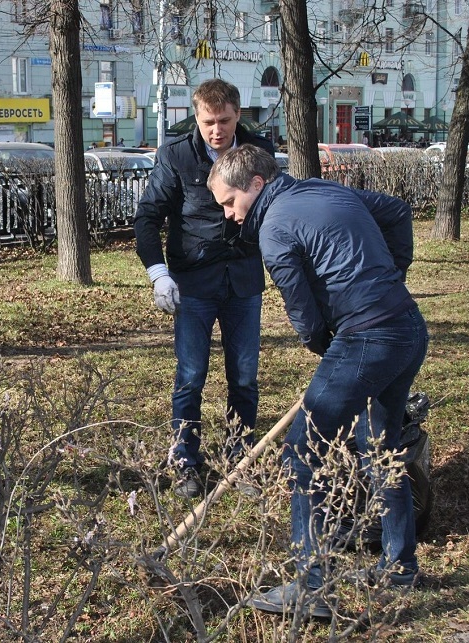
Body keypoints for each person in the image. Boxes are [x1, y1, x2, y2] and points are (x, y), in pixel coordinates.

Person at [207, 145, 428, 617]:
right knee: (380, 448)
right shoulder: (327, 190)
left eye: (229, 202)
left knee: (302, 452)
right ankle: (399, 567)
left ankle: (310, 587)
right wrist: (394, 272)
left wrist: (327, 345)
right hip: (408, 327)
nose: (229, 215)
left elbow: (302, 311)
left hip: (367, 337)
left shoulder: (273, 228)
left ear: (256, 185)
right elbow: (397, 211)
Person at [134, 78, 275, 498]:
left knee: (245, 377)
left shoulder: (258, 151)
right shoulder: (175, 155)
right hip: (193, 284)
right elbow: (147, 218)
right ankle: (185, 462)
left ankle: (240, 460)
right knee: (191, 376)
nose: (217, 130)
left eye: (225, 120)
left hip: (244, 282)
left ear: (238, 113)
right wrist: (158, 271)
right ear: (196, 116)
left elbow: (273, 207)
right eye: (208, 121)